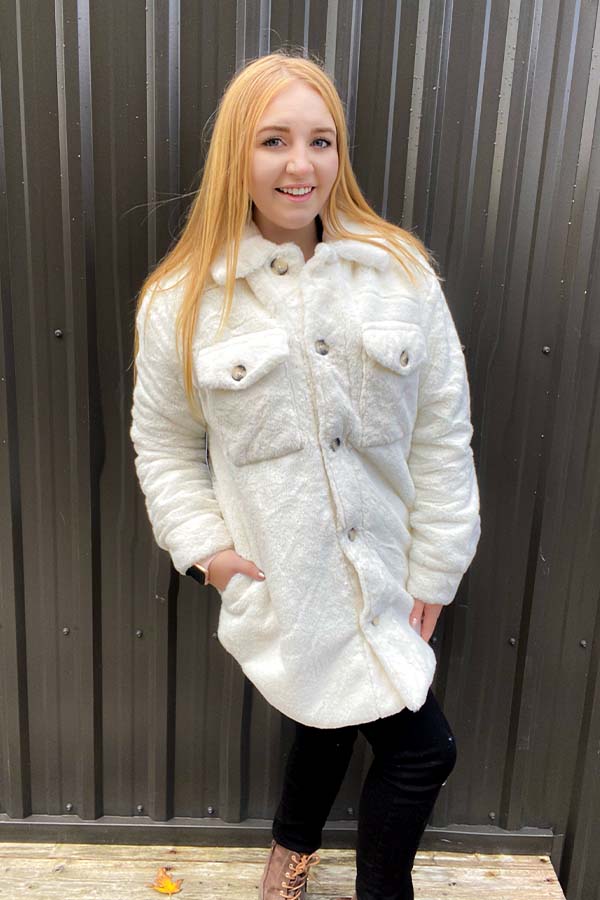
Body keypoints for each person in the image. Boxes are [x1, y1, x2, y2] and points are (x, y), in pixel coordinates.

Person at [130, 49, 480, 900]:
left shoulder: (399, 275)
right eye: (274, 140)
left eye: (320, 141)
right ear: (236, 156)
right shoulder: (183, 300)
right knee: (370, 731)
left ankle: (290, 864)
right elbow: (165, 445)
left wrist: (437, 563)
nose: (301, 165)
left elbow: (442, 431)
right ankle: (312, 870)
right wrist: (212, 556)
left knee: (372, 734)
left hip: (387, 576)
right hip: (284, 581)